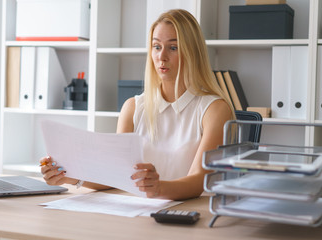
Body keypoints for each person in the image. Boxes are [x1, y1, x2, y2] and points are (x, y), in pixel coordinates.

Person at [40, 9, 235, 200]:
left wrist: (158, 188)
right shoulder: (133, 107)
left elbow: (197, 182)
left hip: (191, 216)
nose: (162, 56)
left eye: (173, 48)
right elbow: (115, 174)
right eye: (157, 47)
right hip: (140, 212)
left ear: (193, 52)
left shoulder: (214, 110)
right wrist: (68, 176)